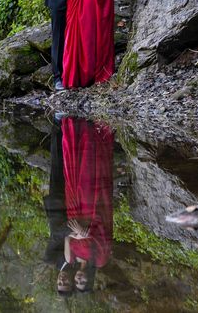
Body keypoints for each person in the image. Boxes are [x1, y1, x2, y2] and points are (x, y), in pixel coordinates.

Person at [61, 117, 114, 293]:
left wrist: (75, 234)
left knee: (73, 169)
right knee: (89, 172)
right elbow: (106, 236)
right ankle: (93, 129)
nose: (79, 279)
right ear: (90, 280)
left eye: (77, 282)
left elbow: (66, 235)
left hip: (74, 209)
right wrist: (86, 232)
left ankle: (75, 126)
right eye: (83, 282)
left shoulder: (73, 259)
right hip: (92, 211)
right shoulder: (100, 261)